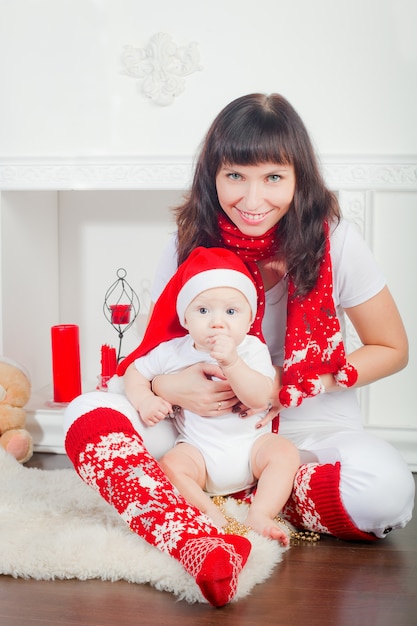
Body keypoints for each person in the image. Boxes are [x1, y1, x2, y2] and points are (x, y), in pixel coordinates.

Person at [63, 92, 415, 606]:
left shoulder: (336, 241)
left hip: (303, 420)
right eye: (236, 176)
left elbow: (392, 347)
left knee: (386, 493)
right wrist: (168, 386)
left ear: (300, 178)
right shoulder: (190, 242)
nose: (253, 199)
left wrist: (303, 383)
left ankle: (241, 492)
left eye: (273, 177)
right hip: (199, 421)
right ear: (214, 175)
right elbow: (157, 349)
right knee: (88, 412)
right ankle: (195, 534)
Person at [123, 246, 300, 545]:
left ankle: (261, 513)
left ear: (248, 320)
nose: (217, 322)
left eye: (231, 312)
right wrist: (145, 400)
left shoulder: (251, 350)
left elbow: (259, 398)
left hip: (251, 448)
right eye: (203, 311)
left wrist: (232, 362)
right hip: (200, 452)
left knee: (284, 453)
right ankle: (207, 513)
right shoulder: (173, 352)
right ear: (185, 319)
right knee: (170, 466)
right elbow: (134, 372)